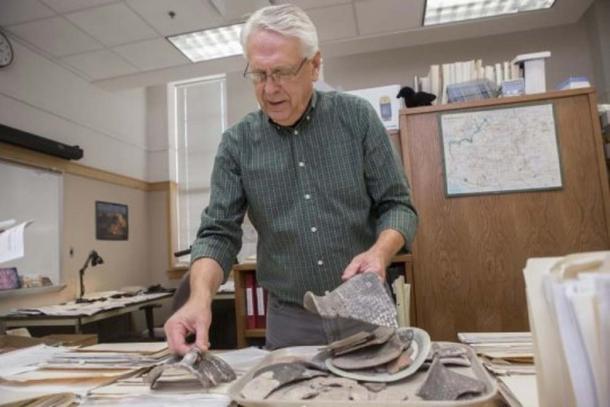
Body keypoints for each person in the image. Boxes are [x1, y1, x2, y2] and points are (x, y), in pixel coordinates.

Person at [164, 4, 417, 355]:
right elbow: (217, 234)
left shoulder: (357, 118)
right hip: (289, 320)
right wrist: (199, 298)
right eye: (258, 74)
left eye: (281, 72)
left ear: (314, 66)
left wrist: (380, 252)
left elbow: (398, 206)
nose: (269, 89)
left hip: (364, 309)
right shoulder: (237, 143)